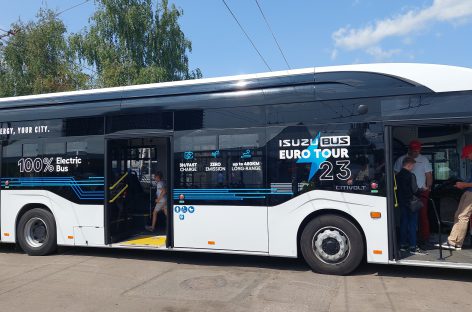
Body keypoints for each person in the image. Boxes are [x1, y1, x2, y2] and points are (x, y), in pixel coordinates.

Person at [394, 140, 433, 246]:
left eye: (418, 150)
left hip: (416, 194)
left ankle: (423, 238)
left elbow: (429, 175)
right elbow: (395, 176)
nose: (416, 152)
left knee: (420, 216)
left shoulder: (424, 159)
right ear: (409, 149)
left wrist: (428, 188)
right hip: (414, 194)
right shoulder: (401, 160)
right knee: (411, 220)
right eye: (414, 151)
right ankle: (413, 244)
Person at [438, 145, 472, 250]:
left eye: (467, 155)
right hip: (468, 192)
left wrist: (463, 185)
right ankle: (453, 241)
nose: (467, 158)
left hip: (470, 192)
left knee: (462, 216)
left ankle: (455, 243)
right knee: (458, 215)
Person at [396, 156, 425, 254]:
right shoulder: (411, 175)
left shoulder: (397, 175)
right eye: (413, 165)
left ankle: (403, 245)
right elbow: (415, 190)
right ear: (409, 164)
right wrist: (422, 189)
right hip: (411, 203)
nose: (413, 167)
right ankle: (413, 246)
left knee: (403, 223)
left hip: (402, 202)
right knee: (413, 224)